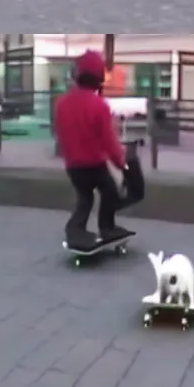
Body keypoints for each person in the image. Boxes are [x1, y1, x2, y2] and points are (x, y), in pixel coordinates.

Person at [54, 50, 130, 248]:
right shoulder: (99, 105)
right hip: (94, 164)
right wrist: (121, 163)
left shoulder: (61, 104)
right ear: (98, 79)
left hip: (73, 165)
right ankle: (106, 227)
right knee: (110, 192)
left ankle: (75, 229)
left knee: (85, 198)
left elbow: (61, 133)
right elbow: (108, 141)